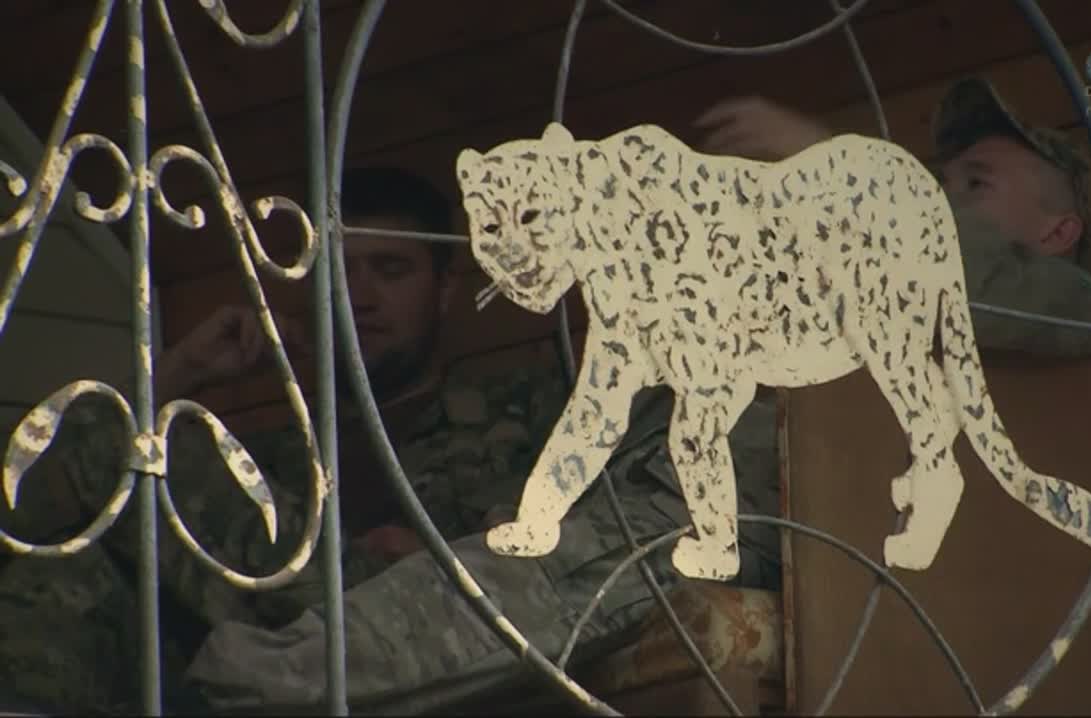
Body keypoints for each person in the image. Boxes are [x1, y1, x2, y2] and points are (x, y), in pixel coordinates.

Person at [0, 167, 780, 713]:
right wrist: (182, 371)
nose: (364, 297)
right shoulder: (270, 454)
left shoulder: (532, 408)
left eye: (392, 271)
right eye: (343, 274)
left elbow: (621, 502)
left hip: (408, 620)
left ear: (444, 290)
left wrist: (451, 549)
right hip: (268, 624)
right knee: (70, 541)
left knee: (128, 435)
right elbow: (25, 503)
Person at [693, 77, 1091, 359]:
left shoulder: (1081, 307)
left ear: (1057, 233)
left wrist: (840, 167)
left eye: (976, 183)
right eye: (941, 182)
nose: (939, 196)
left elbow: (955, 285)